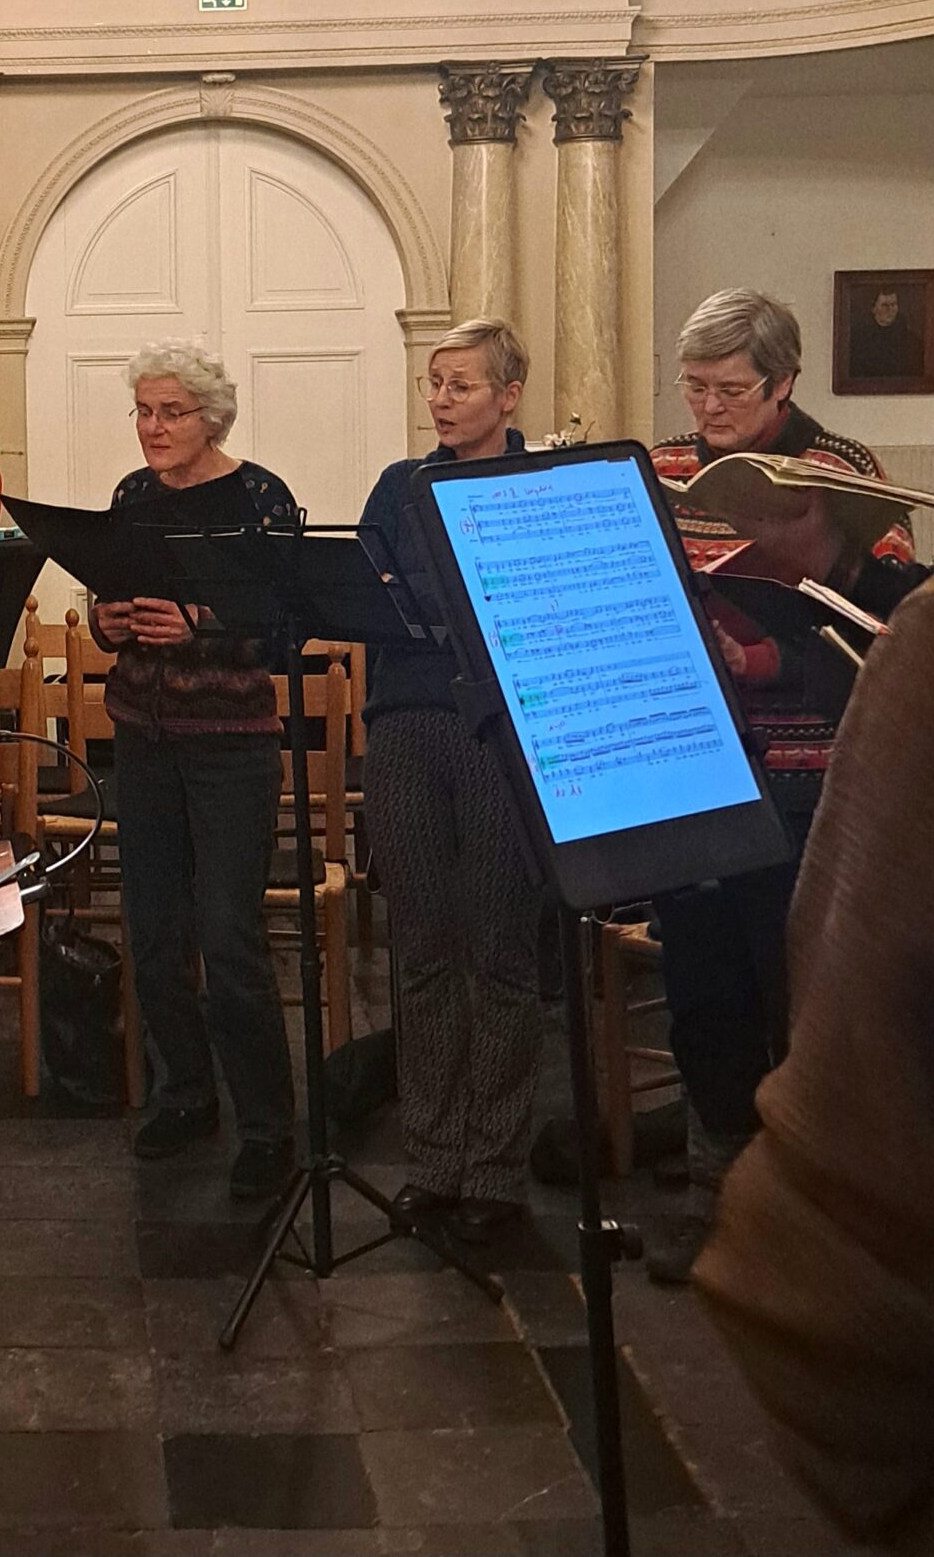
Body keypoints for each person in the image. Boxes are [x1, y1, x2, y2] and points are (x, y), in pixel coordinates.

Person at [647, 285, 915, 1281]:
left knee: (794, 994)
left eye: (730, 390)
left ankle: (805, 1217)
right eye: (695, 387)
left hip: (808, 771)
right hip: (695, 765)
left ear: (783, 382)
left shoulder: (840, 471)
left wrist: (773, 636)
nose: (708, 409)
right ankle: (714, 1201)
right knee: (700, 988)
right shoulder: (664, 467)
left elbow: (887, 625)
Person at [696, 577, 934, 1549]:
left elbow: (821, 1285)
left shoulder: (910, 613)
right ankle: (704, 1153)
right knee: (710, 995)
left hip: (798, 781)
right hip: (721, 777)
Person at [88, 341, 300, 1203]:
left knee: (227, 934)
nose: (152, 427)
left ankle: (268, 1124)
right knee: (153, 931)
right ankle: (184, 1092)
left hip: (230, 747)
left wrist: (201, 623)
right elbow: (113, 606)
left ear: (210, 418)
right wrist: (107, 623)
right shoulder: (132, 497)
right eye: (143, 411)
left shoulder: (259, 496)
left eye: (169, 412)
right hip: (142, 738)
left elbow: (286, 626)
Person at [356, 317, 542, 1247]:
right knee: (423, 947)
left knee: (501, 949)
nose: (440, 400)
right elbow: (374, 592)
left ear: (508, 396)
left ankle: (495, 1164)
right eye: (433, 383)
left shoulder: (536, 486)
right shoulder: (399, 487)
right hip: (404, 726)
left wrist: (432, 602)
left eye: (460, 386)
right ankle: (432, 1158)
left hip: (499, 733)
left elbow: (521, 605)